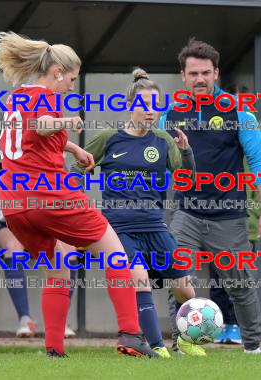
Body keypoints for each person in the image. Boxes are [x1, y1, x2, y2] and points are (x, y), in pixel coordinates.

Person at [0, 31, 155, 358]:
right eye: (72, 78)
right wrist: (67, 120)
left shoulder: (16, 96)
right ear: (57, 73)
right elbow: (41, 126)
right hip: (47, 193)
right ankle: (131, 334)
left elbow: (28, 135)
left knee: (57, 267)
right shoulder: (47, 98)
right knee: (115, 253)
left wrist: (72, 148)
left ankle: (54, 349)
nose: (71, 85)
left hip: (13, 202)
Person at [72, 68, 204, 358]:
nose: (150, 111)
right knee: (138, 280)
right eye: (144, 105)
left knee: (186, 293)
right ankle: (155, 346)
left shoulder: (163, 140)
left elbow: (186, 181)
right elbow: (76, 170)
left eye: (155, 106)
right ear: (130, 105)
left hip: (155, 226)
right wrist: (77, 205)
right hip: (119, 229)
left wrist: (186, 152)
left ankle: (182, 342)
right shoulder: (109, 138)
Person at [160, 39, 261, 354]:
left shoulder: (239, 111)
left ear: (216, 74)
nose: (200, 79)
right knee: (177, 277)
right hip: (186, 212)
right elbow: (157, 161)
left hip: (229, 214)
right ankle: (183, 345)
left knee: (239, 285)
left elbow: (259, 162)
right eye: (193, 73)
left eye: (206, 73)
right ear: (183, 77)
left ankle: (253, 348)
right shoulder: (169, 115)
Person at [0, 151, 78, 338]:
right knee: (12, 244)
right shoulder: (1, 158)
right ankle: (24, 319)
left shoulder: (57, 157)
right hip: (5, 220)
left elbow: (68, 195)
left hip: (45, 220)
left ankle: (60, 320)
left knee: (69, 247)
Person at [212, 85, 261, 345]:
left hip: (245, 222)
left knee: (243, 278)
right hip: (219, 218)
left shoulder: (257, 136)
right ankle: (223, 324)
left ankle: (242, 327)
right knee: (218, 276)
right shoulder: (221, 136)